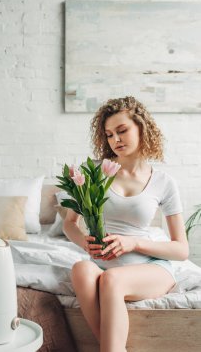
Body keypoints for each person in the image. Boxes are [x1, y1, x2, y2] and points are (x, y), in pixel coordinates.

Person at [63, 96, 189, 352]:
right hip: (102, 263)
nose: (115, 140)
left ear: (142, 128)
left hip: (149, 268)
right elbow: (69, 224)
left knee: (111, 280)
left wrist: (132, 243)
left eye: (122, 131)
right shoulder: (93, 171)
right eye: (109, 134)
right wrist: (85, 243)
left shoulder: (164, 182)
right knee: (80, 270)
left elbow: (181, 249)